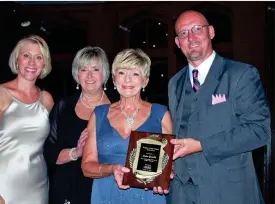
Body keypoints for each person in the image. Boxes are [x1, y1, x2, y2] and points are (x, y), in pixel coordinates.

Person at [167, 10, 271, 204]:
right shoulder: (174, 83)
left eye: (197, 29)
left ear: (211, 32)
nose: (191, 37)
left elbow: (259, 131)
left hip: (228, 192)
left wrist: (201, 145)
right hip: (181, 195)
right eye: (183, 33)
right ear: (177, 42)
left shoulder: (241, 74)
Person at [82, 48, 173, 204]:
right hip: (106, 194)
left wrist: (165, 176)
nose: (127, 80)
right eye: (122, 73)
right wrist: (111, 169)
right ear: (114, 78)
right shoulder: (99, 114)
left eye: (135, 74)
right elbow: (86, 167)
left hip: (148, 196)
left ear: (145, 81)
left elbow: (170, 164)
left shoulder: (161, 114)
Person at [0, 35, 54, 204]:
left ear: (44, 64)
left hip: (37, 186)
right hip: (1, 185)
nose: (32, 62)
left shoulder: (46, 99)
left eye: (38, 57)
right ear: (17, 59)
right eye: (26, 55)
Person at [43, 46, 118, 204]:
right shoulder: (64, 106)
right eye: (84, 69)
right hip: (69, 189)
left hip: (109, 186)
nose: (89, 75)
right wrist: (75, 152)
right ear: (77, 74)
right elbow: (49, 153)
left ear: (104, 73)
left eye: (95, 69)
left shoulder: (118, 104)